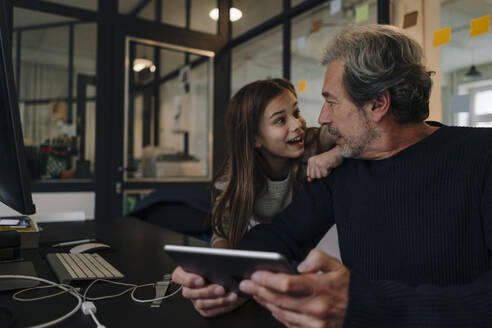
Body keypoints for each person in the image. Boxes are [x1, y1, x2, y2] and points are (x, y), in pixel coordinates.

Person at [176, 24, 492, 327]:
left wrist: (363, 306)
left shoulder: (482, 156)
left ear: (377, 104)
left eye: (331, 101)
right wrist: (226, 278)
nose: (321, 117)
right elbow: (280, 237)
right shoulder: (343, 168)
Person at [173, 78, 343, 317]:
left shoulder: (313, 145)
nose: (298, 124)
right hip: (260, 259)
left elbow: (350, 131)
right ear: (255, 138)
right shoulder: (232, 180)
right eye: (281, 120)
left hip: (303, 259)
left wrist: (336, 153)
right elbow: (223, 235)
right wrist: (221, 280)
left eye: (296, 112)